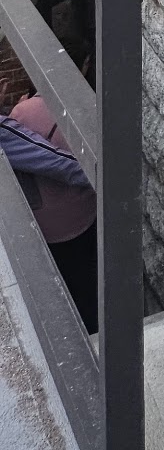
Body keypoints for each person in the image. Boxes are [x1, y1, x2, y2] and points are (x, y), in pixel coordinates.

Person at [1, 96, 98, 330]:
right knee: (83, 290)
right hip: (73, 225)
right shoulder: (9, 128)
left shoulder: (22, 112)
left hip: (48, 229)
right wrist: (102, 174)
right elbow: (61, 164)